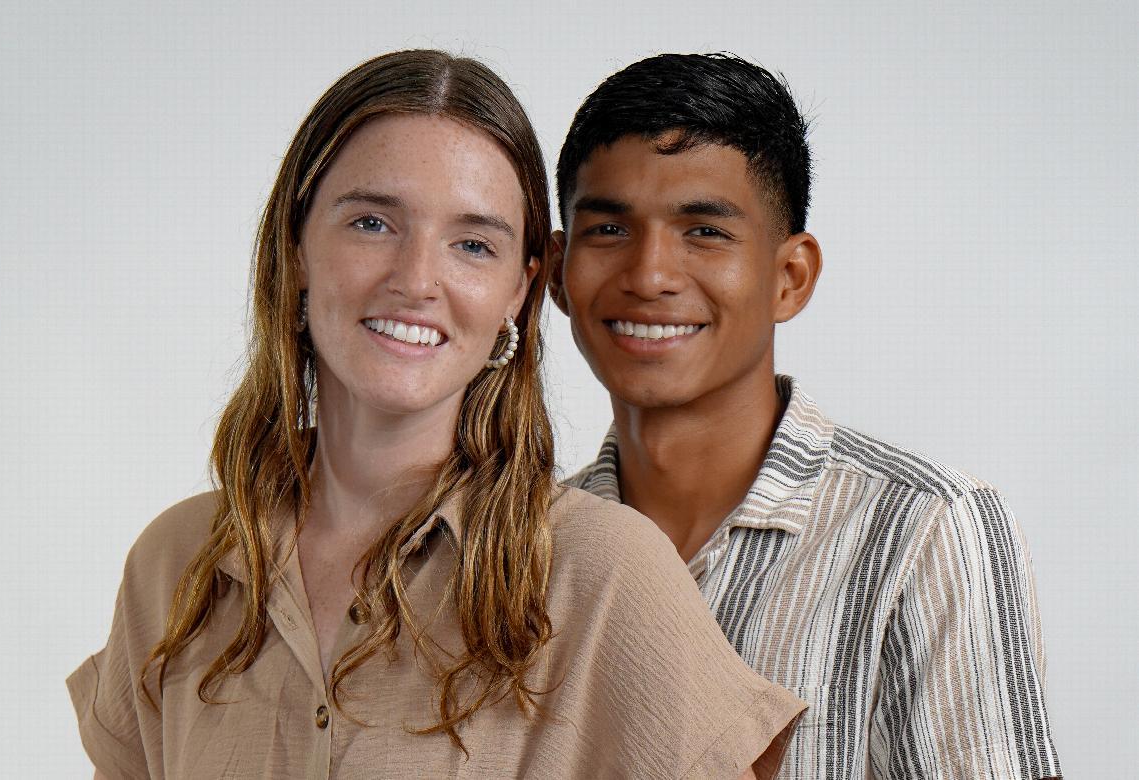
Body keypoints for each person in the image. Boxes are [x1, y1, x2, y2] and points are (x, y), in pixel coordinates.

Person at [67, 50, 807, 780]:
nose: (417, 279)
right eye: (372, 224)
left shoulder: (605, 570)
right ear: (296, 249)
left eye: (473, 245)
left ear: (519, 291)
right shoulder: (174, 566)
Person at [550, 53, 1061, 779]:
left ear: (790, 277)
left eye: (705, 231)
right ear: (557, 270)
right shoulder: (524, 549)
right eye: (609, 229)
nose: (650, 275)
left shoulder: (925, 530)